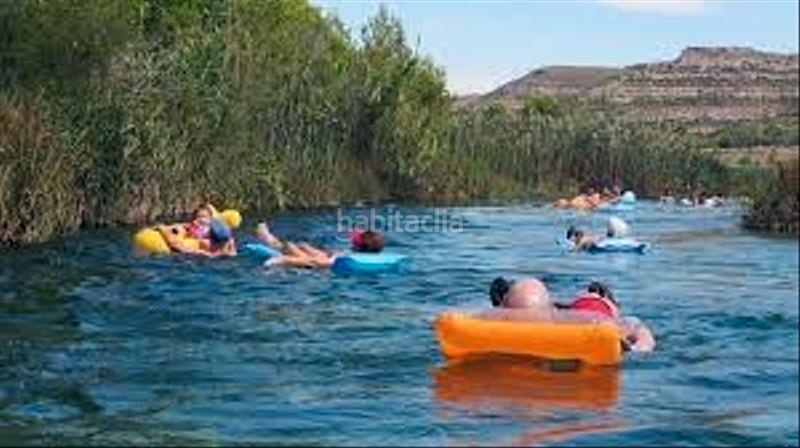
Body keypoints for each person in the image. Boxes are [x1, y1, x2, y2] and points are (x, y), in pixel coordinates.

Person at [489, 277, 655, 352]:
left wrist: (637, 348)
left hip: (588, 311)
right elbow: (638, 330)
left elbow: (637, 329)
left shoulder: (590, 313)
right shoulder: (593, 312)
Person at [255, 222, 384, 268]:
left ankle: (269, 239)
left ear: (360, 245)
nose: (352, 240)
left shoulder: (348, 259)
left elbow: (316, 262)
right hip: (327, 260)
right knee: (303, 245)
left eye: (356, 240)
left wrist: (282, 260)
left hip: (317, 268)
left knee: (290, 246)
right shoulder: (353, 254)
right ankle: (270, 239)